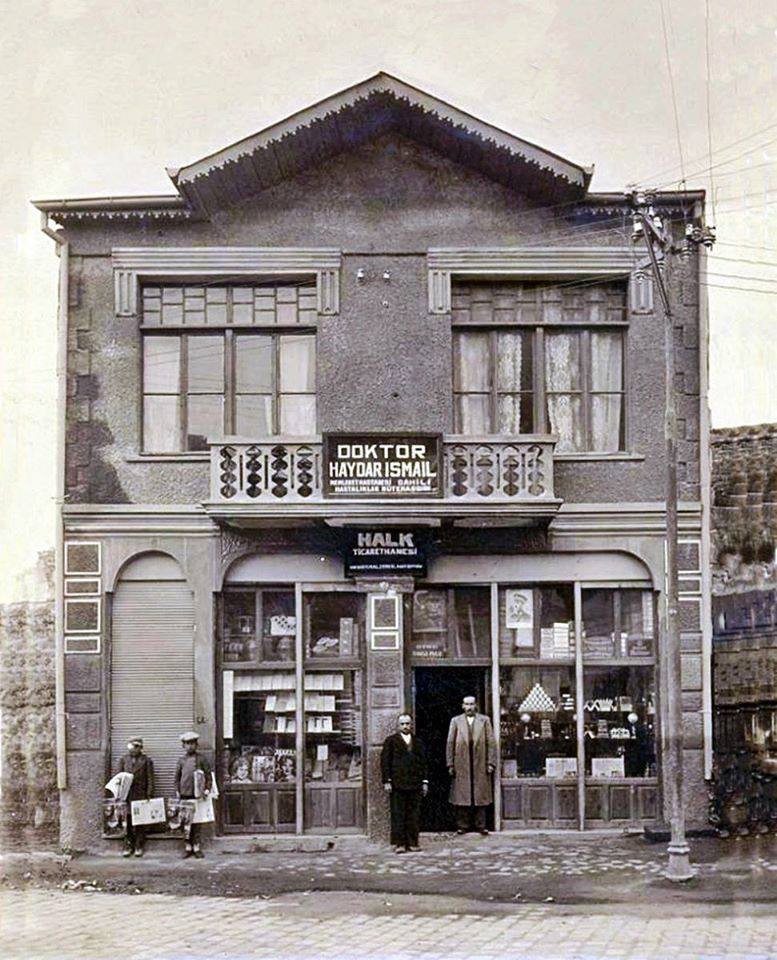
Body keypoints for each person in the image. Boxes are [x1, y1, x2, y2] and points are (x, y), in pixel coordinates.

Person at [446, 696, 497, 835]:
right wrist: (450, 763)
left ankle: (481, 825)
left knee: (480, 795)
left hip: (479, 762)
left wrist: (490, 762)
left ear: (476, 705)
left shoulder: (484, 720)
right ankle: (463, 825)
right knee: (462, 795)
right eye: (466, 704)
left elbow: (491, 743)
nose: (469, 707)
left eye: (472, 704)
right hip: (461, 763)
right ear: (462, 706)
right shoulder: (456, 721)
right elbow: (450, 743)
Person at [381, 713, 429, 853]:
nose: (405, 726)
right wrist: (387, 781)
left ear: (411, 724)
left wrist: (424, 782)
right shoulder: (391, 741)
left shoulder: (418, 742)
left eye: (407, 723)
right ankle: (400, 844)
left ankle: (413, 843)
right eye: (402, 724)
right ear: (398, 725)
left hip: (415, 784)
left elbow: (423, 763)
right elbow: (385, 762)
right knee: (398, 814)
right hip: (397, 784)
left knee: (413, 815)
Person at [174, 731, 212, 859]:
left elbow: (208, 776)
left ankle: (196, 846)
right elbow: (177, 778)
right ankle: (187, 846)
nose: (190, 746)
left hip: (197, 795)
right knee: (186, 823)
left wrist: (207, 789)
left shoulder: (201, 759)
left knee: (196, 823)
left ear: (196, 745)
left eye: (192, 743)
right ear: (183, 746)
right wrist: (177, 791)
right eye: (187, 744)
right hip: (185, 795)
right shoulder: (181, 760)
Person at [117, 737, 154, 857]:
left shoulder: (146, 761)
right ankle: (128, 845)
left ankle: (139, 845)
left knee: (139, 822)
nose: (134, 749)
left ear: (141, 748)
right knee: (127, 821)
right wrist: (118, 794)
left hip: (140, 794)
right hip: (126, 795)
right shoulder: (123, 760)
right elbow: (118, 777)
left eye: (137, 747)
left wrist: (149, 793)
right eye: (132, 746)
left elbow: (150, 778)